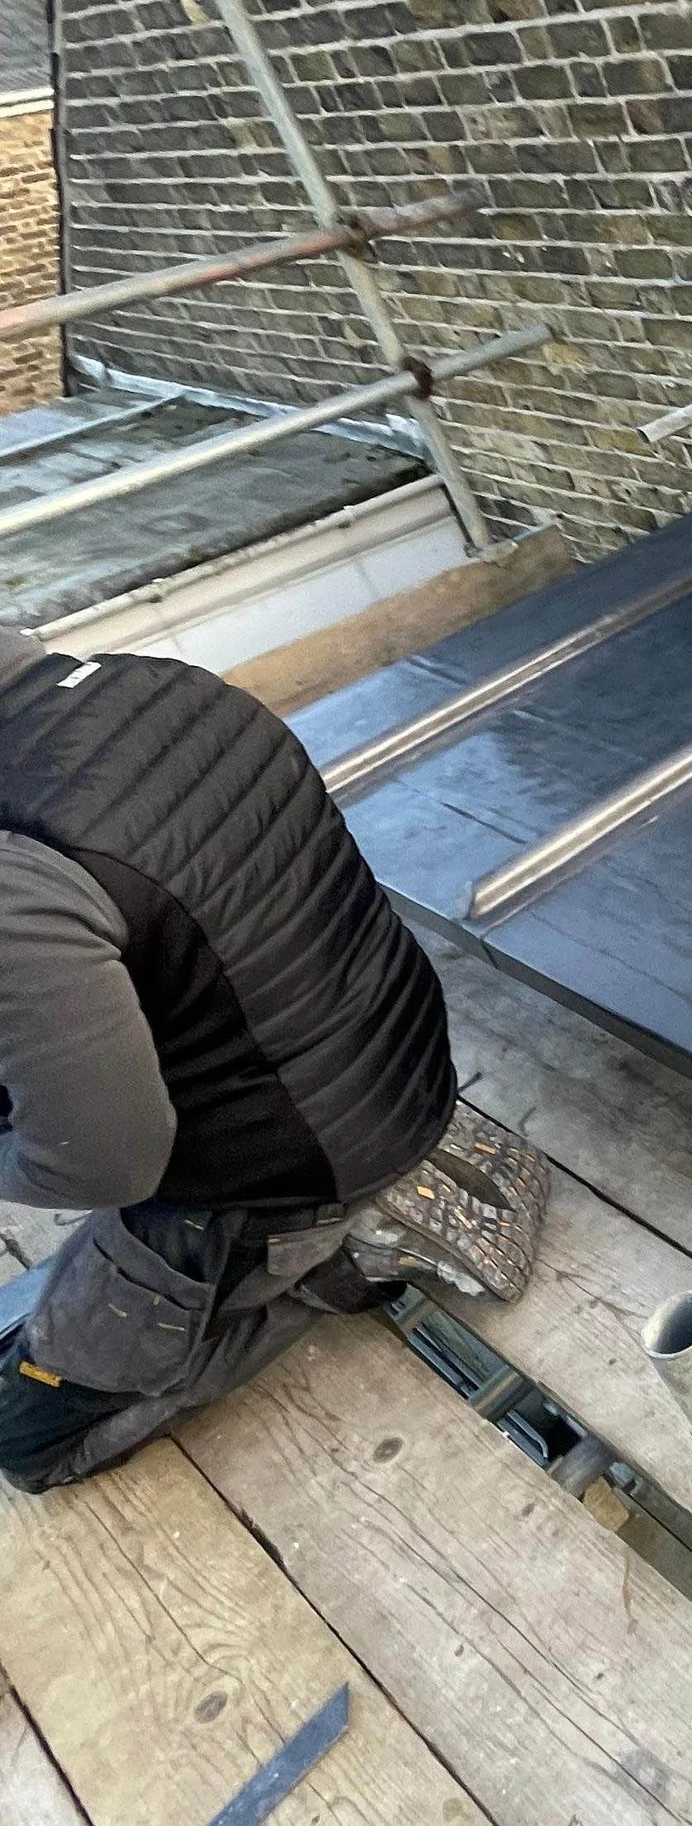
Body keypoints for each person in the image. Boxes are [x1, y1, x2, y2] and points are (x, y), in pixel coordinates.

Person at [0, 622, 459, 1490]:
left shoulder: (15, 878)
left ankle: (343, 1262)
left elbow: (104, 1167)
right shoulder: (153, 683)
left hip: (288, 1178)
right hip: (397, 1042)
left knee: (27, 1435)